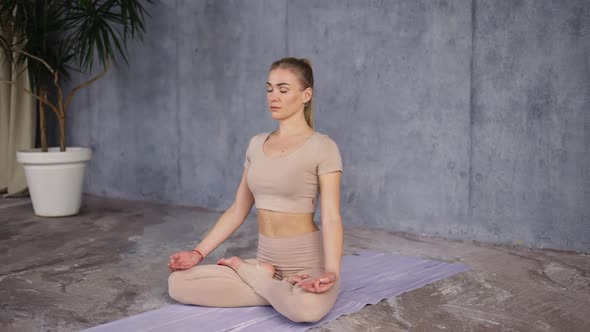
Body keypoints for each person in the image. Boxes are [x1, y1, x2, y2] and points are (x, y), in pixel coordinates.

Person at [167, 57, 343, 323]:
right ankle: (273, 285)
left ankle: (254, 276)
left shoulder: (323, 147)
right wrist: (197, 253)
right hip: (266, 257)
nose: (274, 96)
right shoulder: (256, 143)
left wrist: (331, 272)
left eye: (283, 90)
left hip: (306, 261)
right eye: (269, 89)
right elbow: (238, 209)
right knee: (177, 284)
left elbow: (331, 217)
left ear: (306, 95)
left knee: (305, 310)